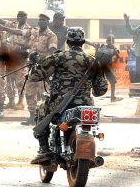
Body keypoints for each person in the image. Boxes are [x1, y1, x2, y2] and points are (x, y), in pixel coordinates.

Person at [28, 27, 108, 164]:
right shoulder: (93, 61)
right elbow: (101, 89)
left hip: (60, 104)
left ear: (67, 41)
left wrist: (35, 65)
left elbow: (34, 76)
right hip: (85, 104)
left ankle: (44, 150)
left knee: (41, 110)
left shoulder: (58, 57)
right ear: (83, 42)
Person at [0, 14, 58, 125]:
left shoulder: (51, 35)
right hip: (32, 68)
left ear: (47, 22)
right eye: (40, 20)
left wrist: (42, 58)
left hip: (44, 69)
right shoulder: (34, 32)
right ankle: (32, 117)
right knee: (29, 91)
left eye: (43, 20)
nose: (41, 22)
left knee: (45, 93)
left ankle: (46, 118)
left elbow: (52, 51)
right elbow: (19, 32)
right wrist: (6, 29)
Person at [0, 11, 32, 110]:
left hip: (21, 59)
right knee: (9, 81)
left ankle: (21, 102)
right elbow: (2, 21)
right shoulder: (13, 24)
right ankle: (11, 101)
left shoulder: (29, 29)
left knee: (20, 82)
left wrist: (5, 29)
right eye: (19, 16)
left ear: (26, 17)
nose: (20, 18)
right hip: (10, 58)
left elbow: (19, 33)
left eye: (22, 16)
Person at [87, 35, 121, 101]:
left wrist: (114, 50)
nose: (110, 42)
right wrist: (97, 48)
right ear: (106, 41)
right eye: (108, 40)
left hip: (105, 67)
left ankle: (112, 97)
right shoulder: (102, 47)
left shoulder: (114, 49)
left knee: (112, 81)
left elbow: (118, 57)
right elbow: (96, 56)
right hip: (99, 66)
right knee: (92, 81)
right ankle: (89, 96)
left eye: (111, 40)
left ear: (113, 41)